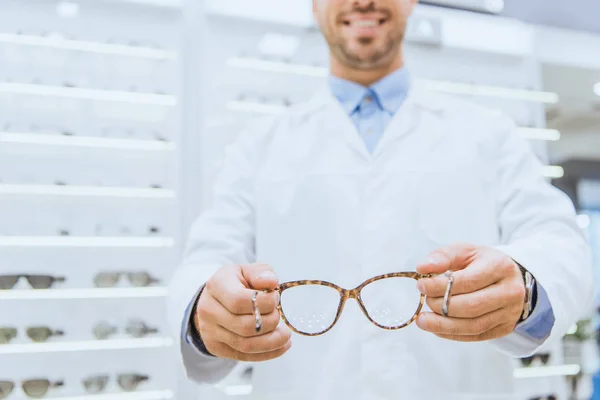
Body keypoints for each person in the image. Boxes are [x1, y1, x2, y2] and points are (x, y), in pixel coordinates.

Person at [168, 0, 594, 399]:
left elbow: (558, 241)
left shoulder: (488, 134)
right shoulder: (259, 144)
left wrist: (525, 284)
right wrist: (205, 309)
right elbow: (207, 257)